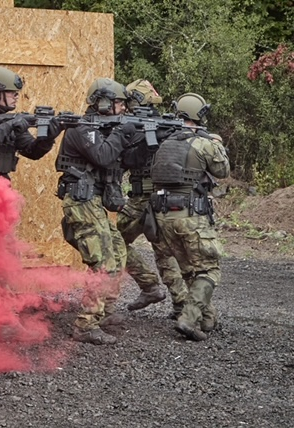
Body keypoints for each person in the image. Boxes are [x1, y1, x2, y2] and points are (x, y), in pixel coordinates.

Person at [55, 77, 138, 345]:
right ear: (101, 103)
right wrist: (121, 132)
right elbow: (102, 156)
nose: (122, 108)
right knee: (102, 261)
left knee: (118, 250)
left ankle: (104, 312)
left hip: (94, 204)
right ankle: (86, 324)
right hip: (82, 201)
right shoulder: (82, 129)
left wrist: (140, 140)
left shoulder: (107, 130)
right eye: (117, 103)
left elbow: (123, 160)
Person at [149, 92, 230, 341]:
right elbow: (223, 170)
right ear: (198, 115)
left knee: (189, 269)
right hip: (191, 216)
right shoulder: (204, 144)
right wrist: (216, 143)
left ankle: (207, 319)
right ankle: (189, 318)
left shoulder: (163, 142)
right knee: (209, 269)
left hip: (163, 217)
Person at [117, 79, 188, 319]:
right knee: (164, 251)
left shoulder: (144, 126)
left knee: (114, 241)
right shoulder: (169, 125)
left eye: (127, 102)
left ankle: (149, 286)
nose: (123, 107)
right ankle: (181, 305)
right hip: (165, 199)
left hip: (143, 199)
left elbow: (128, 159)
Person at [0, 66, 62, 180]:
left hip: (0, 185)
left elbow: (32, 152)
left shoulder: (12, 120)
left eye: (17, 93)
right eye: (12, 93)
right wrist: (9, 125)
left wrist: (47, 139)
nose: (16, 97)